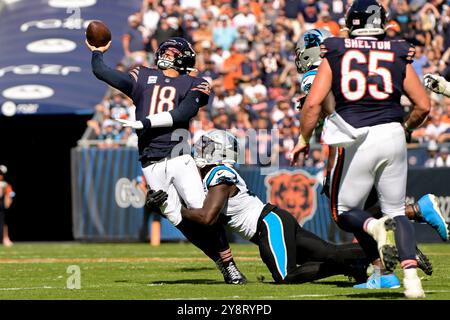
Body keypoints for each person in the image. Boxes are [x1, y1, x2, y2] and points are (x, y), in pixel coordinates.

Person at [290, 0, 431, 298]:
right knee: (394, 213)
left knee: (343, 210)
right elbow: (423, 105)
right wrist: (403, 128)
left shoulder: (335, 51)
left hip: (354, 137)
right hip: (392, 132)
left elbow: (323, 110)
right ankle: (409, 279)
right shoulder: (396, 49)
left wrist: (304, 143)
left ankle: (384, 243)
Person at [86, 37, 246, 284]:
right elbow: (101, 72)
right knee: (178, 219)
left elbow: (183, 113)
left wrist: (97, 52)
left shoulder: (188, 81)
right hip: (151, 161)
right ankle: (223, 263)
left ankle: (230, 265)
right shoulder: (153, 77)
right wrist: (97, 52)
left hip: (179, 155)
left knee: (204, 214)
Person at [148, 130, 372, 285]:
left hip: (268, 223)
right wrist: (160, 202)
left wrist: (176, 209)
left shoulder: (220, 174)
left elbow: (207, 218)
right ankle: (375, 253)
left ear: (220, 152)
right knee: (327, 252)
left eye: (207, 146)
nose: (201, 149)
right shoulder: (208, 176)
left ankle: (354, 265)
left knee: (286, 275)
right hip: (273, 220)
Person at [295, 28, 449, 243]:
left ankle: (415, 215)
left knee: (345, 208)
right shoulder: (348, 61)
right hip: (380, 132)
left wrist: (306, 124)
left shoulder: (317, 72)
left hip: (350, 140)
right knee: (371, 207)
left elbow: (324, 109)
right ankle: (402, 246)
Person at [0, 165, 14, 247]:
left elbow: (10, 194)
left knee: (3, 222)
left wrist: (8, 200)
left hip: (1, 205)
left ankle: (5, 238)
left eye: (1, 174)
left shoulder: (5, 184)